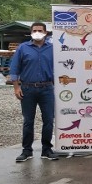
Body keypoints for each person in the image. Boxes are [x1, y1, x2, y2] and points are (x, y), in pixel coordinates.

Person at [9, 22, 58, 162]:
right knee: (28, 121)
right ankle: (27, 151)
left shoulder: (53, 49)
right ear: (31, 33)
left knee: (48, 120)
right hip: (28, 89)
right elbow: (14, 69)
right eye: (34, 30)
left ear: (46, 33)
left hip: (47, 89)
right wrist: (16, 87)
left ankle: (46, 149)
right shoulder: (23, 48)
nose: (37, 32)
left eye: (40, 30)